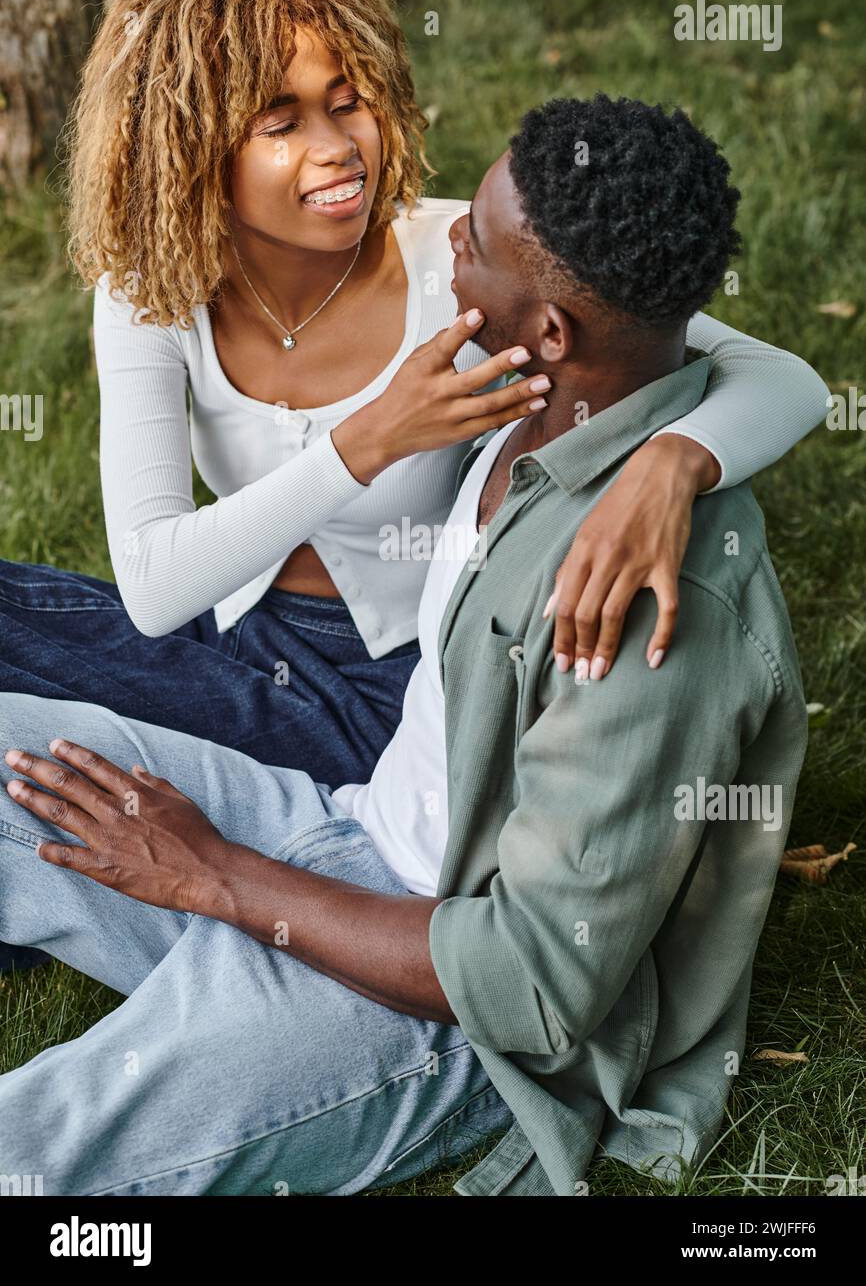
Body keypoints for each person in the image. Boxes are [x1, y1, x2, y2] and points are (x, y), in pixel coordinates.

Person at [0, 95, 810, 1196]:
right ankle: (213, 980)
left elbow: (531, 984)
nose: (440, 249)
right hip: (347, 839)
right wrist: (678, 455)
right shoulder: (539, 389)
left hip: (446, 1009)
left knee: (36, 1142)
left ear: (552, 328)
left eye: (466, 246)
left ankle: (223, 1006)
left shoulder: (643, 603)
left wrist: (222, 877)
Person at [0, 0, 827, 791]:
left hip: (389, 689)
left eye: (348, 101)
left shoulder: (465, 269)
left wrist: (674, 462)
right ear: (188, 153)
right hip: (227, 631)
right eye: (282, 123)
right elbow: (157, 586)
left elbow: (787, 380)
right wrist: (371, 440)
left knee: (35, 729)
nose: (338, 147)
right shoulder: (151, 291)